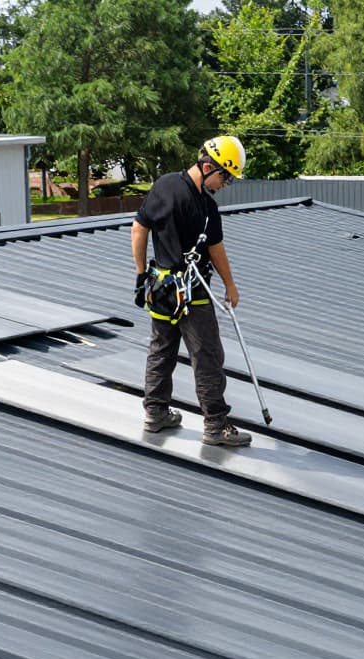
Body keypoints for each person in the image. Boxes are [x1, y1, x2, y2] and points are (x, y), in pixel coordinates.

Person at [132, 135, 251, 447]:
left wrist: (141, 275)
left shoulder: (164, 185)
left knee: (161, 350)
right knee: (208, 355)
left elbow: (139, 228)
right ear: (208, 165)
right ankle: (215, 425)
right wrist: (230, 284)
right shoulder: (206, 207)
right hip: (192, 291)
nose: (225, 183)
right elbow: (215, 250)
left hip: (160, 288)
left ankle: (155, 413)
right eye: (225, 175)